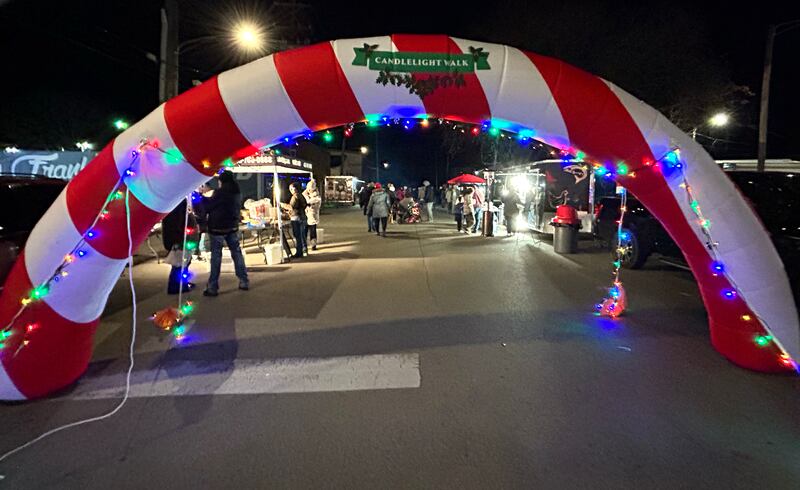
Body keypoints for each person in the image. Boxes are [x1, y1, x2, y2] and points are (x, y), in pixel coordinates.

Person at [200, 171, 249, 297]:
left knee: (216, 257)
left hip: (217, 228)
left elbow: (209, 207)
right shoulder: (236, 193)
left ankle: (213, 287)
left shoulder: (219, 193)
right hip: (232, 227)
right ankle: (244, 281)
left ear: (222, 181)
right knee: (237, 254)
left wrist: (201, 198)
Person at [162, 199, 197, 295]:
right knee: (179, 264)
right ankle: (176, 286)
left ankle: (182, 284)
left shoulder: (173, 204)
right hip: (178, 239)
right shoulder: (177, 206)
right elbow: (177, 223)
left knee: (182, 263)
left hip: (178, 238)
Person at [282, 182, 308, 258]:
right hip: (302, 217)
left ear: (295, 188)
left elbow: (292, 207)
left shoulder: (295, 196)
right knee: (301, 235)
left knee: (298, 236)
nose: (290, 190)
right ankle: (303, 250)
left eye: (291, 188)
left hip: (297, 218)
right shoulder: (301, 195)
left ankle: (299, 252)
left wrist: (282, 205)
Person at [303, 179, 322, 251]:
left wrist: (305, 195)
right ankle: (304, 245)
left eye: (309, 189)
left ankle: (313, 245)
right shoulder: (306, 193)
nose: (308, 190)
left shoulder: (317, 197)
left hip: (312, 216)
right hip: (306, 216)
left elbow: (308, 201)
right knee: (304, 231)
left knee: (312, 232)